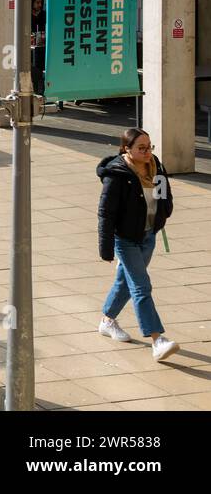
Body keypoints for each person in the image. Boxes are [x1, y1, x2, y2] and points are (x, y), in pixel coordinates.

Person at [98, 128, 179, 363]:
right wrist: (106, 247)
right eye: (141, 148)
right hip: (125, 239)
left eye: (149, 146)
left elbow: (164, 193)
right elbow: (106, 213)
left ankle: (107, 320)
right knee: (141, 287)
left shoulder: (155, 166)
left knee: (126, 281)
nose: (147, 152)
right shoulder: (118, 174)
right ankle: (158, 340)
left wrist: (164, 212)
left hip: (148, 235)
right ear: (126, 149)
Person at [31, 0, 47, 97]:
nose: (40, 5)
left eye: (41, 2)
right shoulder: (25, 15)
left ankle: (42, 90)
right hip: (31, 48)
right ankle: (37, 90)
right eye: (37, 2)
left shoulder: (44, 15)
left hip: (43, 46)